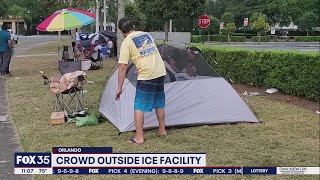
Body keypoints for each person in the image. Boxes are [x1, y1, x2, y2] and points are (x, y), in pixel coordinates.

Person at [116, 17, 167, 144]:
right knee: (159, 101)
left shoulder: (127, 42)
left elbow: (122, 67)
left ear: (121, 31)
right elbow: (149, 53)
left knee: (139, 105)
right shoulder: (145, 34)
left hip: (147, 74)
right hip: (160, 70)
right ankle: (162, 130)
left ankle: (139, 137)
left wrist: (119, 88)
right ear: (132, 26)